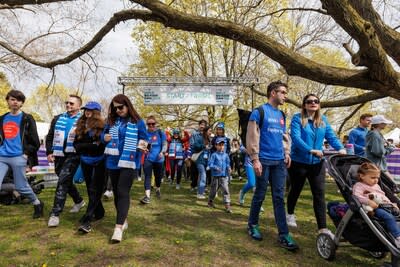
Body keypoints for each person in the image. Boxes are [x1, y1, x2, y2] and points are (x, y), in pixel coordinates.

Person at [246, 80, 298, 251]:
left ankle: (283, 234)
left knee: (278, 198)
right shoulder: (259, 112)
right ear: (273, 93)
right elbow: (252, 137)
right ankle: (252, 225)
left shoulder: (282, 115)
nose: (285, 96)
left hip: (279, 163)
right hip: (263, 161)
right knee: (259, 195)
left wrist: (287, 153)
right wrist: (255, 159)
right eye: (283, 92)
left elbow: (284, 137)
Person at [286, 94, 345, 238]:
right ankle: (290, 213)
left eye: (316, 101)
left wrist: (341, 148)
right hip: (299, 162)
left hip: (317, 164)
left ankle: (322, 229)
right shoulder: (297, 118)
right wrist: (310, 150)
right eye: (309, 101)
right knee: (295, 190)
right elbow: (296, 138)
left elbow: (331, 137)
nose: (313, 103)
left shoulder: (323, 120)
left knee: (319, 194)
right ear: (304, 105)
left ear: (319, 104)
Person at [103, 94, 147, 243]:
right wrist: (104, 138)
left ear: (127, 105)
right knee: (116, 192)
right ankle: (124, 218)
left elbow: (144, 139)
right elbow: (104, 134)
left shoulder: (138, 122)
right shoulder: (111, 121)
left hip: (129, 162)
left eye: (120, 107)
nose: (118, 110)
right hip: (112, 161)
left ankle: (118, 228)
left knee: (123, 191)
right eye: (115, 108)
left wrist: (141, 149)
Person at [0, 89, 43, 218]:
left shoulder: (27, 118)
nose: (15, 102)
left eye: (18, 100)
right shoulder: (2, 119)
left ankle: (37, 203)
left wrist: (26, 154)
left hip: (19, 156)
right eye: (12, 99)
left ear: (22, 103)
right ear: (8, 100)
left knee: (21, 186)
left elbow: (35, 141)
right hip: (2, 156)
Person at [46, 94, 86, 227]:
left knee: (62, 181)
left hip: (74, 154)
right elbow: (50, 135)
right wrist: (49, 151)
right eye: (67, 103)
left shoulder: (83, 119)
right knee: (65, 179)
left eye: (71, 103)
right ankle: (79, 201)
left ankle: (55, 214)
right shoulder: (58, 118)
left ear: (79, 106)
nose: (68, 105)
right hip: (58, 153)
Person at [73, 101, 106, 233]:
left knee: (95, 189)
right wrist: (89, 145)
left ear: (96, 112)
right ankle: (99, 212)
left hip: (100, 161)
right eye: (86, 109)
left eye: (90, 110)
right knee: (89, 189)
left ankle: (87, 218)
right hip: (85, 161)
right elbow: (76, 145)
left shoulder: (102, 127)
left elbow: (100, 146)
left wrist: (85, 146)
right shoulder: (81, 125)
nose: (87, 111)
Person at [353, 162, 400, 248]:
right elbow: (357, 196)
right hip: (374, 208)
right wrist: (368, 201)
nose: (376, 180)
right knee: (388, 217)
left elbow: (383, 196)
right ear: (362, 176)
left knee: (397, 215)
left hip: (384, 205)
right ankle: (398, 237)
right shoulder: (359, 186)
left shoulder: (376, 186)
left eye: (377, 178)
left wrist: (392, 204)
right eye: (372, 177)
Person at [140, 115, 167, 204]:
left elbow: (165, 144)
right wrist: (143, 148)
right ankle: (147, 196)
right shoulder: (145, 133)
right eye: (149, 124)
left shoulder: (160, 132)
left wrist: (162, 152)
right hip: (148, 159)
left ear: (155, 124)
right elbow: (142, 146)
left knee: (158, 177)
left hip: (159, 159)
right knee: (147, 176)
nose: (151, 125)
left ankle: (158, 189)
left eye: (153, 124)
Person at [365, 115, 395, 179]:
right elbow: (379, 152)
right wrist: (390, 149)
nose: (386, 124)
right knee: (392, 183)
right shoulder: (375, 134)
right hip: (376, 166)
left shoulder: (375, 133)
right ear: (379, 124)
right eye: (384, 123)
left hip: (376, 165)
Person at [207, 137, 232, 213]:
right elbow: (210, 164)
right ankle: (210, 201)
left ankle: (227, 205)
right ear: (216, 146)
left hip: (224, 176)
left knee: (225, 190)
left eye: (223, 145)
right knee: (213, 191)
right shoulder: (214, 155)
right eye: (219, 145)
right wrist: (215, 167)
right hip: (215, 176)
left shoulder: (226, 155)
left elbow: (228, 163)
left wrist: (229, 168)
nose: (221, 147)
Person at [191, 125, 213, 199]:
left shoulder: (209, 140)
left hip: (206, 161)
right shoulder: (200, 138)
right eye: (209, 131)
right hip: (200, 160)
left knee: (201, 176)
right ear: (206, 131)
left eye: (211, 131)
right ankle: (200, 193)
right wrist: (204, 146)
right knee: (203, 175)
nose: (210, 132)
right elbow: (195, 146)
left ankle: (200, 191)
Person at [189, 119, 208, 192]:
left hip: (204, 155)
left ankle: (203, 186)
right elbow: (192, 144)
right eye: (201, 124)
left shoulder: (206, 134)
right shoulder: (194, 134)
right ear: (199, 125)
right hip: (195, 154)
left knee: (204, 172)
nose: (202, 126)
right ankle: (193, 185)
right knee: (194, 172)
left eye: (204, 125)